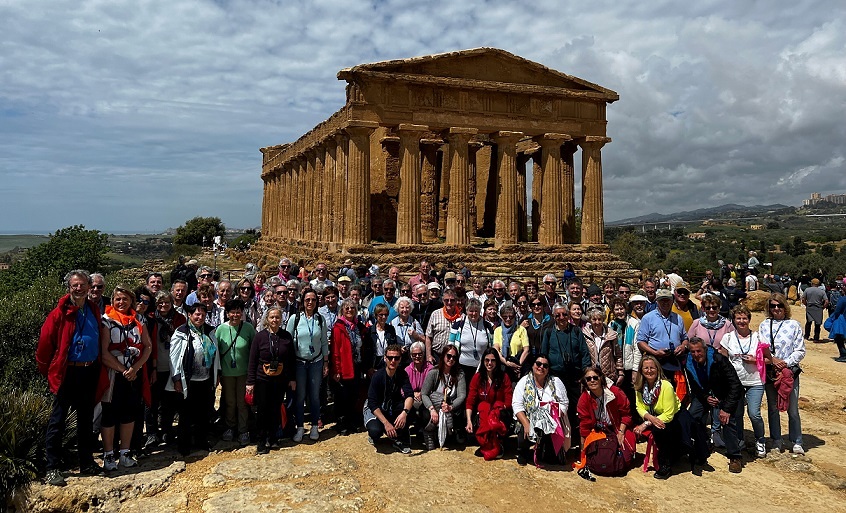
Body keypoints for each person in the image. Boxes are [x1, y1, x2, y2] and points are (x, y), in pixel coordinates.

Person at [37, 270, 103, 485]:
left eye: (83, 284)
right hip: (68, 372)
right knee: (58, 421)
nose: (79, 288)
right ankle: (52, 467)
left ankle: (86, 462)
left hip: (89, 370)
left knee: (85, 419)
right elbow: (45, 346)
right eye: (75, 285)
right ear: (69, 287)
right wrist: (49, 372)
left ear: (88, 286)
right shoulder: (59, 313)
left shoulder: (93, 309)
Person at [97, 285, 153, 471]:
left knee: (129, 413)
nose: (121, 303)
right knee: (110, 413)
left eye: (125, 299)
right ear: (112, 301)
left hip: (133, 374)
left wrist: (135, 368)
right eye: (118, 299)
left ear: (131, 301)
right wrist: (123, 370)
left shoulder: (139, 320)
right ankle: (108, 455)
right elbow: (104, 353)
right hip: (113, 375)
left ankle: (125, 452)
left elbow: (148, 346)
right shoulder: (106, 321)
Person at [684, 337, 744, 473]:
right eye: (692, 352)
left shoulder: (719, 360)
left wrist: (726, 409)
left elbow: (735, 385)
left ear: (705, 350)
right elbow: (694, 386)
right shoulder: (688, 363)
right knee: (692, 416)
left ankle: (735, 456)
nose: (696, 354)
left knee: (727, 420)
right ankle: (703, 446)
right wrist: (706, 398)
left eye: (699, 351)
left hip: (725, 394)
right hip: (705, 395)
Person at [167, 302, 219, 457]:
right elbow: (174, 357)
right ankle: (184, 444)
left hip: (205, 379)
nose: (200, 317)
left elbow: (216, 356)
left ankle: (201, 440)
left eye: (203, 314)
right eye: (196, 314)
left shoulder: (210, 331)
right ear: (189, 315)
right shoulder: (181, 332)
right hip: (188, 381)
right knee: (186, 414)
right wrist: (176, 379)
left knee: (203, 412)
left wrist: (217, 375)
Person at [720, 304, 771, 458]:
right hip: (736, 383)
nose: (741, 321)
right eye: (738, 318)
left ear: (749, 319)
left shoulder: (758, 337)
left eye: (744, 318)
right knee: (737, 414)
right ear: (733, 320)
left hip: (755, 381)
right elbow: (722, 360)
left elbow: (769, 359)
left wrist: (756, 360)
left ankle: (760, 440)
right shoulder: (728, 337)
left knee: (754, 413)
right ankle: (739, 439)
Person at [759, 293, 806, 455]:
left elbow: (800, 350)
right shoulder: (765, 325)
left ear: (785, 306)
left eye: (779, 305)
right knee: (773, 408)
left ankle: (797, 441)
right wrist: (774, 360)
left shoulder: (794, 325)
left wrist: (785, 363)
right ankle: (776, 440)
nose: (776, 309)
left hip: (789, 372)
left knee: (792, 409)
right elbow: (762, 347)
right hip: (771, 371)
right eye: (773, 306)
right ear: (769, 308)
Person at [246, 306, 296, 454]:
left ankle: (273, 438)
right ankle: (261, 440)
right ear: (267, 319)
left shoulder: (286, 336)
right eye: (272, 317)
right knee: (262, 410)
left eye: (277, 317)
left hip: (280, 379)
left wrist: (292, 378)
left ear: (281, 319)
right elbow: (253, 360)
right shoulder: (259, 336)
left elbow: (291, 360)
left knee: (275, 409)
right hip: (262, 379)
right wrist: (250, 382)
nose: (275, 320)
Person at [574, 367, 635, 477]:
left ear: (601, 378)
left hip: (617, 428)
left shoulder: (615, 392)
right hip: (598, 431)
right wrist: (583, 449)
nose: (592, 380)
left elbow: (626, 415)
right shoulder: (584, 398)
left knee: (626, 458)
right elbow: (584, 425)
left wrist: (621, 432)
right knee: (598, 459)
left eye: (595, 377)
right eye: (588, 379)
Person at [512, 354, 571, 466]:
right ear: (533, 366)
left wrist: (554, 417)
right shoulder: (524, 382)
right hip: (529, 419)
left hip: (551, 421)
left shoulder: (556, 382)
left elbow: (564, 403)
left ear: (548, 369)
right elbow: (517, 405)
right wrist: (526, 424)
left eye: (545, 365)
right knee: (523, 429)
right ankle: (523, 452)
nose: (541, 367)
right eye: (538, 364)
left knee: (551, 459)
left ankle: (543, 452)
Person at [541, 303, 591, 436]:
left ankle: (576, 436)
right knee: (559, 406)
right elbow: (543, 355)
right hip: (555, 377)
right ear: (554, 316)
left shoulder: (576, 331)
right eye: (558, 315)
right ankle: (559, 435)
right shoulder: (549, 332)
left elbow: (584, 354)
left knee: (576, 406)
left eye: (564, 314)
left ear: (568, 315)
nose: (561, 317)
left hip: (575, 376)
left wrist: (585, 375)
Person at [286, 289, 329, 443]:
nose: (310, 302)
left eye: (313, 300)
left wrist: (325, 362)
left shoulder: (320, 319)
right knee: (300, 396)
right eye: (307, 300)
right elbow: (288, 341)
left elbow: (324, 342)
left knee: (315, 396)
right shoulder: (294, 318)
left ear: (317, 302)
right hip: (299, 363)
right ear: (302, 302)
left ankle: (314, 426)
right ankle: (299, 427)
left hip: (316, 362)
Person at [215, 299, 256, 446]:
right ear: (227, 313)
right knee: (230, 402)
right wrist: (217, 373)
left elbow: (254, 350)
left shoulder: (248, 328)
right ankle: (230, 427)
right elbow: (217, 352)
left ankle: (243, 430)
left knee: (242, 402)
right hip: (227, 374)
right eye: (232, 312)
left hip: (244, 373)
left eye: (238, 311)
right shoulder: (220, 329)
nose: (235, 314)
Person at [633, 355, 681, 479]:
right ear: (641, 370)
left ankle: (665, 464)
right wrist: (651, 418)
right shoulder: (639, 386)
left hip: (675, 417)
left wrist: (647, 423)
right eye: (646, 368)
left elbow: (669, 414)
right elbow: (639, 407)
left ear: (658, 369)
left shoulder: (666, 386)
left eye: (652, 368)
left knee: (660, 430)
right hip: (654, 416)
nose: (649, 371)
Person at [148, 290, 186, 447]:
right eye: (160, 302)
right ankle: (151, 433)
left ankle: (166, 430)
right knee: (151, 402)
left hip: (173, 366)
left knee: (169, 402)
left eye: (167, 302)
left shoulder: (179, 318)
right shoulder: (150, 319)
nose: (164, 305)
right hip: (156, 366)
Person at [364, 344, 415, 454]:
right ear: (385, 358)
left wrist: (404, 414)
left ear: (400, 359)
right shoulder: (377, 376)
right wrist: (386, 423)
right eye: (390, 358)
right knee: (375, 430)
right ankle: (379, 433)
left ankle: (399, 438)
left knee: (410, 411)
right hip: (376, 409)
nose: (393, 361)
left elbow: (409, 395)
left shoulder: (402, 374)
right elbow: (372, 403)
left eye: (396, 358)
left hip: (392, 406)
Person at [465, 347, 513, 460]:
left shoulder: (504, 377)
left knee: (495, 416)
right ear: (483, 361)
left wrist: (497, 409)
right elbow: (470, 400)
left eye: (493, 360)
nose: (490, 363)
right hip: (482, 413)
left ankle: (497, 443)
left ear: (497, 361)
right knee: (483, 408)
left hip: (499, 413)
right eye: (487, 360)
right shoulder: (477, 378)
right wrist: (468, 421)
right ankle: (486, 444)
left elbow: (509, 400)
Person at [421, 345, 467, 449]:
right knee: (425, 412)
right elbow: (424, 393)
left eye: (454, 357)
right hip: (435, 406)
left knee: (461, 411)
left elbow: (461, 395)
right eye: (449, 356)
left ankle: (454, 432)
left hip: (451, 406)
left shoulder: (460, 374)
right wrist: (431, 409)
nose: (451, 359)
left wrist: (451, 406)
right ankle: (430, 431)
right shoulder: (434, 372)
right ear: (443, 356)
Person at [331, 298, 366, 435]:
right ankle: (341, 423)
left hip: (356, 366)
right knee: (342, 397)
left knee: (354, 395)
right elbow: (335, 350)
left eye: (352, 308)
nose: (350, 310)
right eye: (347, 308)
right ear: (342, 311)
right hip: (344, 367)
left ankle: (351, 421)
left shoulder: (359, 327)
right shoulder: (338, 327)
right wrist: (336, 370)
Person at [636, 288, 688, 377]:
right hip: (655, 361)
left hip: (675, 361)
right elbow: (640, 342)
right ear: (657, 302)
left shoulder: (678, 318)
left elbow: (685, 338)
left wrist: (683, 346)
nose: (665, 303)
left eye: (667, 300)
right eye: (662, 300)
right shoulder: (648, 318)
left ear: (672, 301)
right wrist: (655, 352)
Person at [448, 298, 493, 379]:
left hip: (482, 368)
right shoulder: (458, 324)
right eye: (471, 311)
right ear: (466, 310)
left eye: (476, 311)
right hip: (462, 367)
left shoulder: (487, 326)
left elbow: (491, 346)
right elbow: (450, 345)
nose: (474, 313)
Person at [582, 308, 624, 387]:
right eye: (594, 319)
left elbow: (618, 355)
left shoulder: (611, 335)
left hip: (608, 375)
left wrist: (620, 372)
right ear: (590, 320)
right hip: (592, 376)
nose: (597, 322)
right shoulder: (585, 335)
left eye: (599, 319)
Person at [425, 288, 462, 364]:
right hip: (437, 355)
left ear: (456, 301)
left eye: (452, 300)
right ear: (442, 301)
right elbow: (428, 337)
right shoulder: (435, 314)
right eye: (446, 300)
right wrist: (428, 355)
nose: (449, 302)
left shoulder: (462, 317)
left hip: (454, 358)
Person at [404, 341, 434, 437]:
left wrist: (422, 393)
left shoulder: (431, 369)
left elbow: (433, 387)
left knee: (425, 412)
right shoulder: (407, 370)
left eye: (419, 354)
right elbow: (402, 389)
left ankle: (425, 431)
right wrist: (412, 394)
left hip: (426, 398)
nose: (417, 356)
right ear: (411, 355)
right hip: (411, 399)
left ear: (424, 354)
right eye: (414, 354)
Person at [493, 305, 529, 382]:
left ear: (514, 316)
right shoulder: (498, 330)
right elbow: (496, 349)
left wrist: (518, 366)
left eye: (511, 316)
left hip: (518, 364)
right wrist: (507, 363)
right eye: (505, 317)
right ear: (501, 317)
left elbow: (526, 349)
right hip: (503, 365)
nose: (508, 319)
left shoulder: (521, 329)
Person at [521, 297, 551, 375]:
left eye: (539, 304)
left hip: (544, 359)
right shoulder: (526, 318)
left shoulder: (550, 321)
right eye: (533, 305)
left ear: (543, 305)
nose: (536, 307)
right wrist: (521, 327)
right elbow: (517, 336)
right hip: (528, 359)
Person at [830, 281, 846, 362]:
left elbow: (837, 311)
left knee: (839, 338)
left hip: (843, 321)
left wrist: (833, 318)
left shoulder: (843, 299)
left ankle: (843, 355)